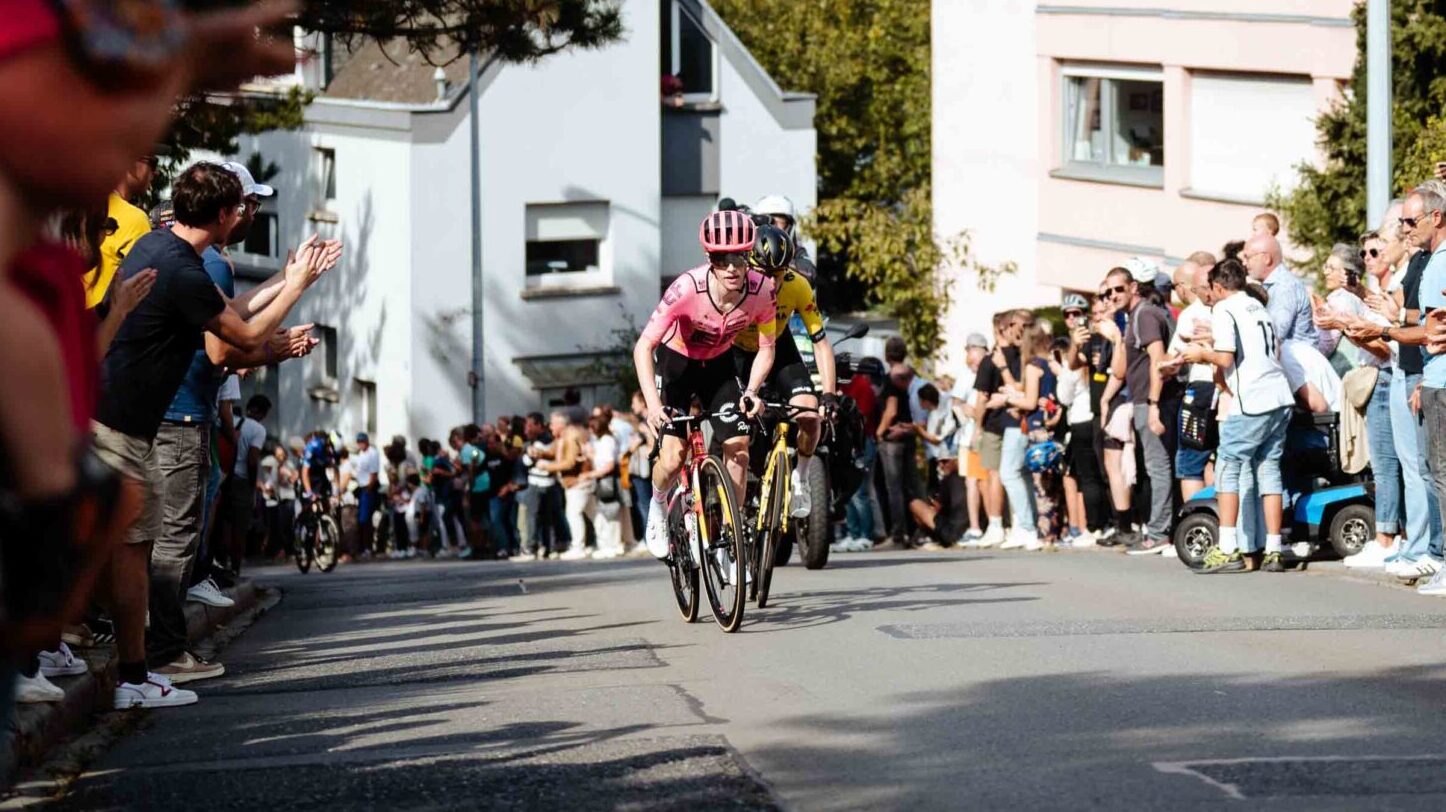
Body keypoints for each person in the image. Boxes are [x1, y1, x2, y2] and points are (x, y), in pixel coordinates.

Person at [92, 162, 335, 704]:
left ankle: (135, 672)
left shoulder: (166, 250)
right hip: (119, 427)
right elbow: (240, 337)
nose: (246, 216)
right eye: (242, 209)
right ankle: (131, 673)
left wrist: (283, 275)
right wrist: (294, 287)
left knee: (134, 550)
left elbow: (224, 311)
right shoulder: (182, 270)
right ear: (224, 215)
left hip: (120, 423)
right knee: (132, 552)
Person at [633, 210, 778, 560]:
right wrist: (653, 407)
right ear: (709, 260)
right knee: (672, 456)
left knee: (739, 447)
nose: (732, 268)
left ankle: (731, 535)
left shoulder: (764, 290)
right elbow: (643, 347)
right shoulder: (685, 289)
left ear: (750, 257)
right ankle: (658, 504)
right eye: (721, 259)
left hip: (719, 365)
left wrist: (751, 392)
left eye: (739, 258)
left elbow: (767, 348)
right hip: (678, 363)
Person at [1183, 258, 1295, 574]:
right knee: (1269, 468)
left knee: (1227, 468)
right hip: (1278, 395)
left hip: (1253, 399)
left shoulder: (1224, 308)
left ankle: (1228, 547)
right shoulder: (1258, 306)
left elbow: (1224, 356)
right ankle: (1274, 548)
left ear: (1219, 287)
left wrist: (1200, 353)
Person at [731, 224, 839, 519]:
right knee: (736, 425)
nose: (771, 281)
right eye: (764, 274)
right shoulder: (737, 287)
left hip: (778, 348)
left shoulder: (797, 286)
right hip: (737, 351)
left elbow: (821, 344)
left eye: (777, 274)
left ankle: (800, 478)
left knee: (809, 414)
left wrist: (829, 394)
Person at [1161, 253, 1217, 502]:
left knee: (1190, 460)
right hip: (1230, 393)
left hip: (1202, 390)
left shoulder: (1191, 314)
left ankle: (1197, 520)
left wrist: (1166, 366)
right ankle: (1223, 524)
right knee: (1221, 459)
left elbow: (1171, 359)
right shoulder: (1236, 307)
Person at [1056, 297, 1106, 546]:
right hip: (1089, 417)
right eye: (1068, 314)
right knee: (1090, 476)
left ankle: (1095, 527)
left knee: (1091, 477)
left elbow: (1064, 394)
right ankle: (1091, 526)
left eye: (1078, 313)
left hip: (1087, 417)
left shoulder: (1091, 343)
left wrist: (1063, 371)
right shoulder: (1074, 347)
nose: (1073, 318)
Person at [218, 395, 269, 577]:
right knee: (239, 527)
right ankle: (235, 567)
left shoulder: (231, 420)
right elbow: (253, 459)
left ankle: (220, 563)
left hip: (222, 477)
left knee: (223, 523)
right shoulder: (258, 430)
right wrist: (252, 486)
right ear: (262, 413)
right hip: (241, 481)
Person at [1242, 232, 1318, 346]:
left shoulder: (1284, 287)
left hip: (1295, 360)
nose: (1244, 263)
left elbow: (1273, 334)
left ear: (1266, 258)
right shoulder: (1274, 285)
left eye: (1247, 257)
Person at [536, 410, 591, 560]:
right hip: (572, 482)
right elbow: (554, 453)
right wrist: (540, 453)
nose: (550, 426)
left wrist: (546, 467)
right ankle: (600, 544)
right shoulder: (561, 438)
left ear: (561, 424)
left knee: (573, 514)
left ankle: (578, 547)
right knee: (593, 514)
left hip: (577, 481)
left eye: (553, 423)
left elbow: (570, 462)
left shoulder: (571, 437)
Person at [953, 335, 990, 545]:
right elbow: (956, 403)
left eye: (972, 351)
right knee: (972, 482)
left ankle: (992, 525)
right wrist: (964, 410)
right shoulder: (965, 376)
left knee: (988, 481)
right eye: (968, 351)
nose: (970, 356)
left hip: (986, 433)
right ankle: (975, 527)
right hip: (968, 437)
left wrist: (977, 413)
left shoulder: (989, 370)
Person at [583, 413, 625, 558]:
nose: (589, 430)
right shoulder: (599, 440)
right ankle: (607, 544)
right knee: (604, 512)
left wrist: (592, 474)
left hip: (607, 479)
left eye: (591, 427)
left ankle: (613, 545)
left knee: (611, 511)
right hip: (601, 479)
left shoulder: (607, 440)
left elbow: (608, 464)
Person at [908, 448, 967, 550]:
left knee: (915, 504)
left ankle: (927, 536)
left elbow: (938, 508)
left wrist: (933, 504)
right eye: (938, 462)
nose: (941, 466)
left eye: (945, 461)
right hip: (971, 530)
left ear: (957, 460)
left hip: (953, 532)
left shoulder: (950, 479)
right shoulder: (974, 480)